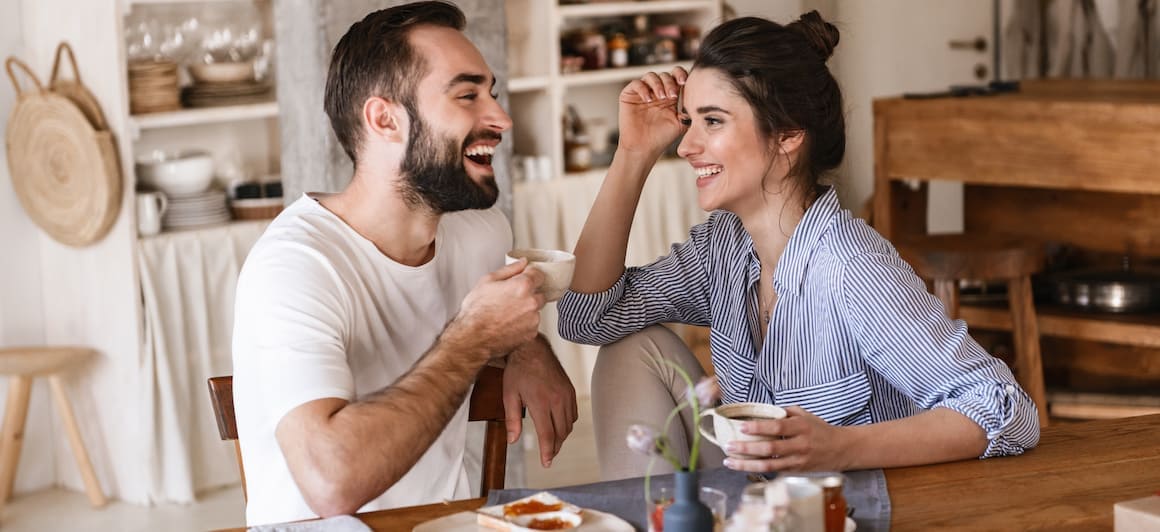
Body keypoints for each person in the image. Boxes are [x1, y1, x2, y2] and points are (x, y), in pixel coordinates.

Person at [557, 12, 1040, 481]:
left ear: (787, 135)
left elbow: (1006, 410)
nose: (685, 146)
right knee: (630, 347)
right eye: (689, 120)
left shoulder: (852, 268)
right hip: (758, 502)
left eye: (713, 121)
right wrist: (633, 152)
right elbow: (587, 318)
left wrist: (839, 448)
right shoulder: (722, 249)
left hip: (851, 510)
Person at [231, 2, 577, 525]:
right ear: (384, 119)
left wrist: (529, 347)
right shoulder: (295, 265)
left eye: (492, 93)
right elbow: (331, 482)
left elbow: (500, 323)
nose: (501, 119)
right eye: (467, 96)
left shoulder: (483, 234)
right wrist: (475, 337)